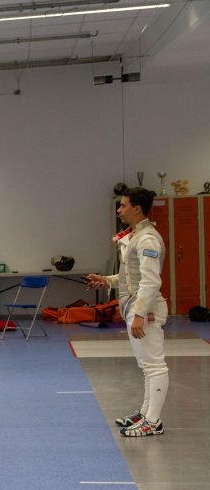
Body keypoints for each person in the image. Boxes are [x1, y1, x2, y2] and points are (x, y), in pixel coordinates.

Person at [85, 187, 169, 437]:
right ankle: (146, 414)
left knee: (154, 366)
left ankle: (153, 421)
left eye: (123, 205)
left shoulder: (147, 239)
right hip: (135, 306)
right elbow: (131, 277)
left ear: (137, 209)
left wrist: (140, 314)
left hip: (146, 309)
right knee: (146, 365)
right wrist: (106, 281)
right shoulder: (135, 236)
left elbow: (150, 281)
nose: (119, 210)